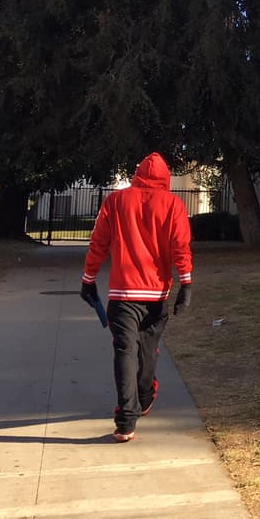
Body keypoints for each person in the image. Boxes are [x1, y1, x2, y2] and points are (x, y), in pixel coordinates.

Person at [80, 152, 193, 442]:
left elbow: (99, 242)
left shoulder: (116, 202)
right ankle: (144, 395)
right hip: (156, 294)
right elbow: (181, 245)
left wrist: (88, 279)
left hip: (122, 293)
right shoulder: (173, 205)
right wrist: (186, 284)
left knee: (125, 351)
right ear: (165, 178)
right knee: (146, 351)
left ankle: (126, 420)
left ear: (137, 174)